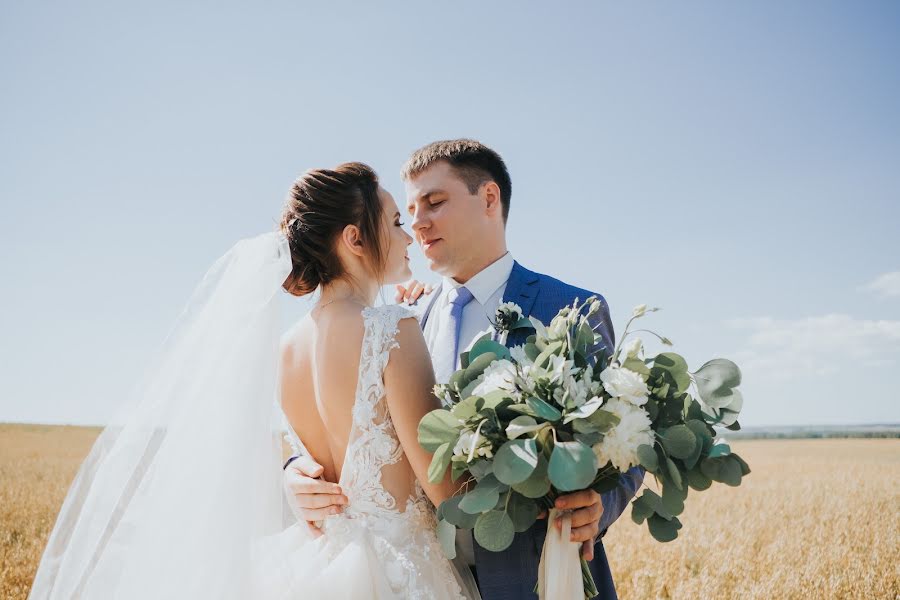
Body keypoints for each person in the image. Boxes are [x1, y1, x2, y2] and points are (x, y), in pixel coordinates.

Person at [29, 162, 478, 599]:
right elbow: (444, 490)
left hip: (322, 560)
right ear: (354, 239)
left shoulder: (285, 350)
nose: (408, 237)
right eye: (397, 221)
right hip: (400, 568)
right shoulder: (392, 327)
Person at [283, 140, 644, 600]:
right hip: (418, 577)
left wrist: (600, 503)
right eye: (407, 209)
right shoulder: (401, 317)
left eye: (434, 202)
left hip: (537, 576)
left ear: (489, 199)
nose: (416, 222)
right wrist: (298, 473)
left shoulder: (572, 310)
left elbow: (624, 439)